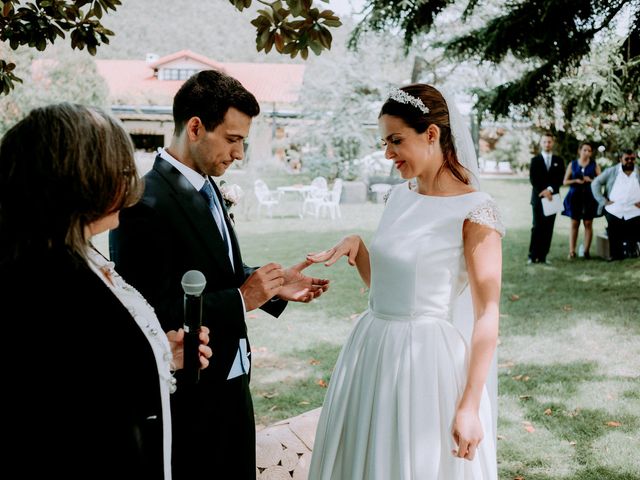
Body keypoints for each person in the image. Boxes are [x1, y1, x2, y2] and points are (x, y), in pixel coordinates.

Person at [109, 70, 330, 480]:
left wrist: (275, 287)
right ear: (195, 127)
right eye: (233, 139)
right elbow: (147, 313)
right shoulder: (144, 203)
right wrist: (242, 299)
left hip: (233, 384)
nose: (240, 153)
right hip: (192, 401)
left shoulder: (208, 187)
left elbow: (214, 270)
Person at [0, 103, 212, 479]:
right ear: (80, 179)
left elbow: (101, 369)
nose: (129, 179)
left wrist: (162, 353)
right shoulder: (43, 281)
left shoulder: (81, 256)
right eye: (119, 167)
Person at [306, 84, 503, 479]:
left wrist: (468, 405)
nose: (387, 153)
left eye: (396, 140)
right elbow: (386, 289)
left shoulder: (475, 212)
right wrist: (359, 248)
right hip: (371, 352)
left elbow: (487, 317)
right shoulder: (398, 197)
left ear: (431, 134)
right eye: (385, 142)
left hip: (426, 365)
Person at [591, 149, 640, 260]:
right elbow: (595, 183)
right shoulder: (612, 171)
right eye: (626, 159)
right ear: (620, 159)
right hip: (614, 209)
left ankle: (632, 251)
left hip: (634, 209)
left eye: (632, 158)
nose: (629, 161)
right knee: (614, 232)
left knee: (633, 232)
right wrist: (603, 201)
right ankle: (616, 255)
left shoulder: (638, 172)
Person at [527, 132, 565, 264]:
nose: (547, 144)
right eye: (545, 142)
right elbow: (533, 179)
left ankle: (543, 256)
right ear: (541, 143)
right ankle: (532, 256)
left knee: (548, 228)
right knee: (537, 227)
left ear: (552, 143)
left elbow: (560, 178)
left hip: (552, 199)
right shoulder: (535, 160)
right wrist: (543, 190)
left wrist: (550, 190)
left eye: (549, 142)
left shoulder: (558, 161)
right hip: (538, 199)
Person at [561, 142, 601, 259]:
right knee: (574, 223)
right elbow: (565, 182)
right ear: (579, 151)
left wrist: (591, 180)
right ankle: (572, 251)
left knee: (588, 223)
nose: (587, 152)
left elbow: (601, 180)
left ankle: (586, 251)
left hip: (589, 197)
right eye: (585, 150)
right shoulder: (572, 164)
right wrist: (575, 181)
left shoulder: (594, 165)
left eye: (589, 151)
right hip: (575, 197)